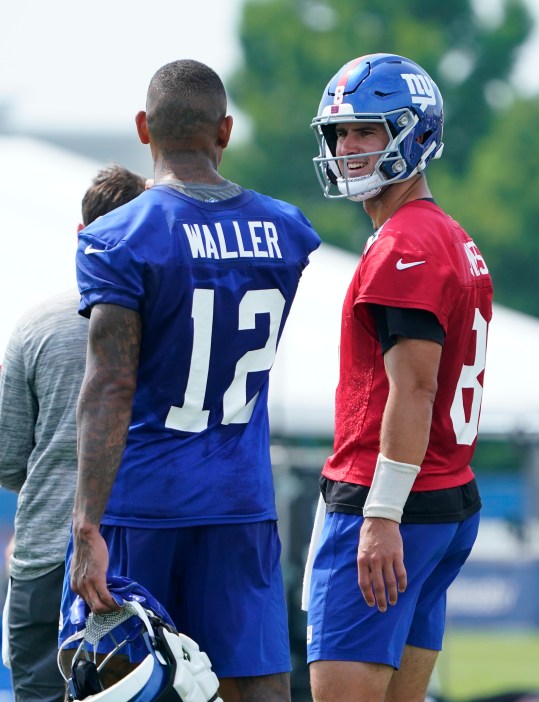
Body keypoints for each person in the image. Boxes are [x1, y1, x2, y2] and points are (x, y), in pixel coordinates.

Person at [59, 58, 321, 702]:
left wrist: (86, 523)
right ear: (224, 131)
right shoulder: (285, 231)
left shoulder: (119, 237)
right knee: (257, 684)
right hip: (240, 499)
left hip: (141, 502)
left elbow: (109, 384)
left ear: (145, 127)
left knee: (121, 686)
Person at [304, 53, 493, 702]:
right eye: (339, 134)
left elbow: (413, 388)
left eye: (366, 131)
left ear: (412, 133)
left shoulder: (405, 243)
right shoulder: (445, 236)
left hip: (391, 500)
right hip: (443, 494)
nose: (347, 148)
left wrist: (380, 513)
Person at [0, 164, 146, 702]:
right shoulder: (167, 322)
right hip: (131, 554)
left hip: (42, 554)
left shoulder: (35, 326)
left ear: (82, 237)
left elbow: (7, 455)